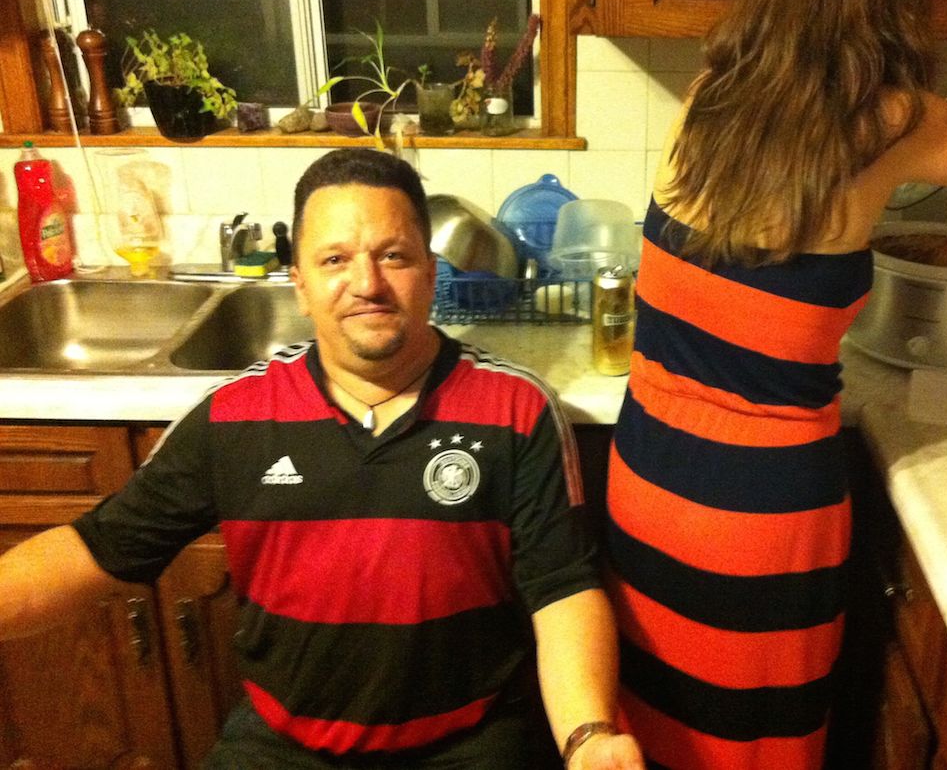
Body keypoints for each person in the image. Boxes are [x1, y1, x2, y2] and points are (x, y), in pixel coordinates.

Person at [603, 0, 947, 770]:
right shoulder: (891, 121)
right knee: (754, 747)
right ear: (893, 6)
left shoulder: (707, 99)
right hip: (762, 513)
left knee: (664, 732)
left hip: (649, 480)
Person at [0, 149, 644, 770]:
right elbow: (100, 548)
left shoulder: (516, 409)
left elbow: (563, 589)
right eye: (336, 259)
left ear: (430, 272)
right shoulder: (235, 416)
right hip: (280, 744)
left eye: (393, 256)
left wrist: (588, 736)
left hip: (470, 739)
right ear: (300, 285)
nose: (367, 284)